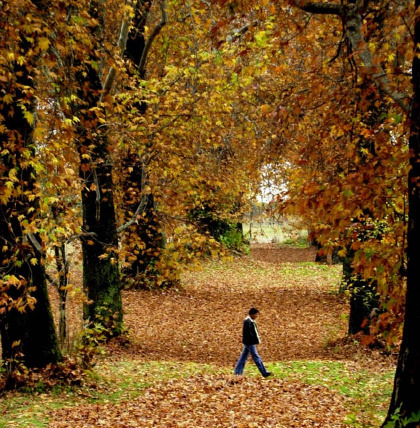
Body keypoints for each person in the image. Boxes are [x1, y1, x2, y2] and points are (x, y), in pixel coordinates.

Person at [234, 307, 272, 377]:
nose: (257, 316)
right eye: (256, 315)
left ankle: (237, 372)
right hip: (250, 343)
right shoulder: (248, 321)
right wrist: (255, 341)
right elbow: (248, 333)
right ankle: (264, 372)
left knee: (243, 357)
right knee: (256, 357)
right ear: (251, 314)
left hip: (249, 342)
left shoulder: (251, 321)